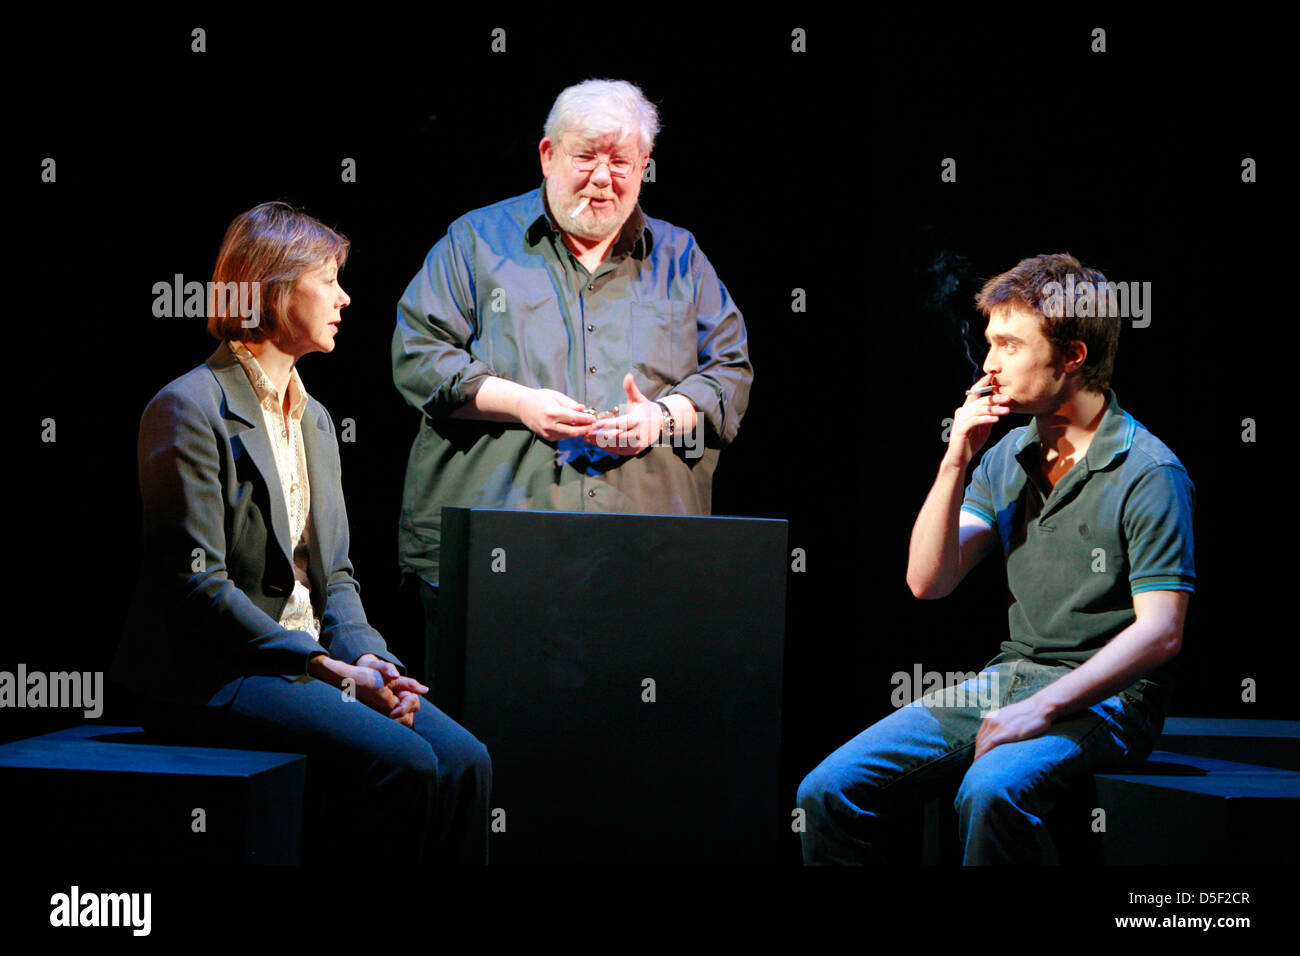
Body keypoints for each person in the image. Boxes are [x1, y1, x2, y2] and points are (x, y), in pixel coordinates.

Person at [111, 201, 492, 865]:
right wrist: (326, 666)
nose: (345, 298)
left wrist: (368, 658)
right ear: (272, 288)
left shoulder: (315, 418)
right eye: (328, 279)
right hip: (219, 671)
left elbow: (334, 574)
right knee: (408, 764)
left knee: (466, 760)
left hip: (309, 664)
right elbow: (198, 590)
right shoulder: (188, 408)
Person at [797, 253, 1195, 864]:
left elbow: (1162, 632)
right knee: (827, 791)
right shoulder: (1009, 455)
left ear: (1072, 356)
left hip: (1112, 700)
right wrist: (956, 457)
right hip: (1011, 679)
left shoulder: (1149, 472)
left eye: (1009, 345)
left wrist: (1039, 710)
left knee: (989, 792)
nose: (988, 365)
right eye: (989, 343)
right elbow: (928, 581)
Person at [392, 78, 753, 694]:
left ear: (644, 167)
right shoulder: (476, 242)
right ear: (547, 155)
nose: (602, 177)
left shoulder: (681, 257)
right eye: (586, 155)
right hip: (497, 561)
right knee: (483, 748)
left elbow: (729, 373)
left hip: (643, 561)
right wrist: (522, 404)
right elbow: (418, 354)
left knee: (628, 753)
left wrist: (661, 417)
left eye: (622, 161)